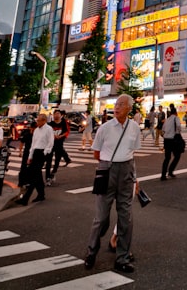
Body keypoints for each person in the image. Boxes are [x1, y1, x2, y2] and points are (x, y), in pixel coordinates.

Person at [84, 94, 140, 275]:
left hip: (127, 172)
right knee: (101, 217)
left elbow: (132, 154)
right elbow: (96, 154)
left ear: (129, 108)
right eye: (116, 104)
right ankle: (91, 251)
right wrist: (109, 164)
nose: (117, 107)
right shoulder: (105, 128)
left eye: (121, 105)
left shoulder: (134, 128)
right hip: (107, 170)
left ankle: (122, 258)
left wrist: (135, 177)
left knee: (126, 217)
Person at [16, 113, 52, 205]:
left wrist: (45, 153)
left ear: (44, 120)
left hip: (42, 153)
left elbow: (50, 142)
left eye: (39, 120)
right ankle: (41, 194)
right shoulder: (36, 130)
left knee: (34, 175)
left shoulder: (48, 129)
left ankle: (26, 198)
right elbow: (33, 145)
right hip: (36, 152)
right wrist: (30, 156)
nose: (37, 122)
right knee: (36, 175)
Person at [159, 104, 183, 180]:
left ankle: (163, 175)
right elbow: (179, 127)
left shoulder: (167, 120)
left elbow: (163, 130)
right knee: (177, 156)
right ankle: (170, 171)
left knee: (167, 158)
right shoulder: (176, 118)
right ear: (175, 113)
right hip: (173, 140)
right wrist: (177, 133)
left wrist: (165, 135)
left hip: (166, 140)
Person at [48, 110, 71, 180]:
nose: (56, 115)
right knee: (49, 157)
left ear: (61, 115)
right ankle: (48, 174)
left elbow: (67, 131)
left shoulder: (64, 123)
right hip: (51, 143)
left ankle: (54, 170)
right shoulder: (50, 124)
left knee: (58, 157)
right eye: (55, 114)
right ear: (53, 115)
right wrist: (53, 136)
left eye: (58, 114)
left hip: (59, 142)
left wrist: (60, 136)